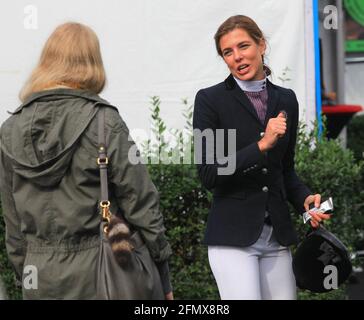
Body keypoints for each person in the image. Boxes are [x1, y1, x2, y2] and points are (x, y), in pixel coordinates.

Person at [0, 22, 173, 300]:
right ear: (92, 62)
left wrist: (27, 276)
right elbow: (140, 201)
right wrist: (163, 272)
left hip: (39, 275)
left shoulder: (10, 130)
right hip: (102, 273)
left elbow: (13, 221)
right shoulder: (104, 122)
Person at [193, 15, 331, 300]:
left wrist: (304, 199)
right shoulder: (209, 100)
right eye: (227, 52)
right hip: (232, 240)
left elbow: (285, 171)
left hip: (276, 237)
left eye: (243, 46)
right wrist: (262, 144)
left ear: (262, 45)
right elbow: (208, 173)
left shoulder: (286, 99)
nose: (237, 57)